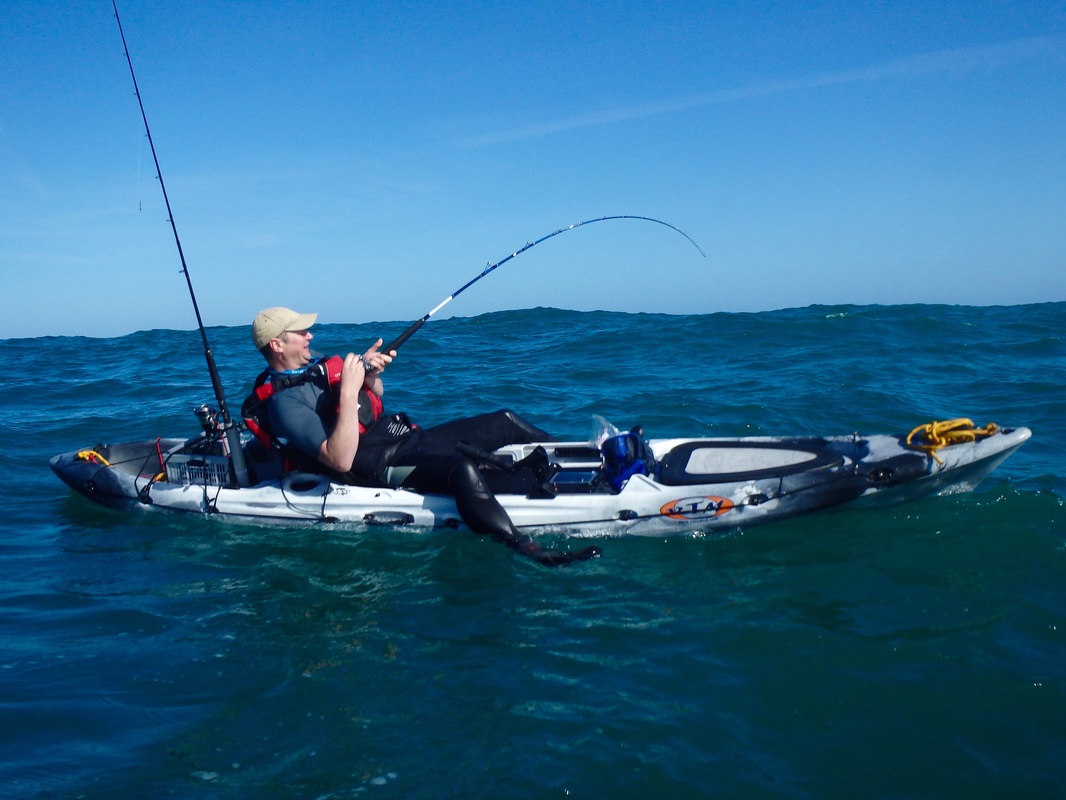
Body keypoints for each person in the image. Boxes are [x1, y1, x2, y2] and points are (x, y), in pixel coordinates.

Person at [247, 307, 601, 566]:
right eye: (301, 332)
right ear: (278, 345)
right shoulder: (284, 404)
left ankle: (586, 456)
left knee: (504, 421)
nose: (310, 335)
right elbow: (340, 459)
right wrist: (348, 389)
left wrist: (370, 376)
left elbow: (374, 399)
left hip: (401, 439)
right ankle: (525, 547)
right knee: (461, 471)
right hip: (378, 466)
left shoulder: (315, 369)